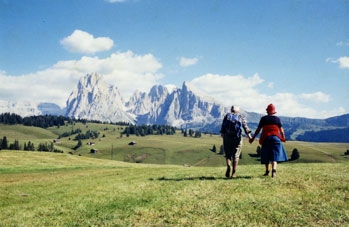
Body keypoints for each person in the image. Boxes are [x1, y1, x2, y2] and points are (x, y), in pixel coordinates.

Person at [249, 104, 288, 178]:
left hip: (266, 138)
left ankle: (267, 171)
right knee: (275, 156)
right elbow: (281, 130)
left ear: (267, 111)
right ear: (274, 112)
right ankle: (274, 171)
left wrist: (253, 138)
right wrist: (283, 137)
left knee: (266, 155)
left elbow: (258, 129)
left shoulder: (264, 119)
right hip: (276, 138)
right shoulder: (277, 119)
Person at [220, 105, 252, 178]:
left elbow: (223, 127)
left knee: (228, 154)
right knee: (236, 155)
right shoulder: (241, 116)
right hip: (237, 138)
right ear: (238, 110)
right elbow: (245, 127)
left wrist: (223, 134)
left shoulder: (227, 116)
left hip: (227, 137)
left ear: (231, 110)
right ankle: (233, 173)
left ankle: (228, 166)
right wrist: (250, 137)